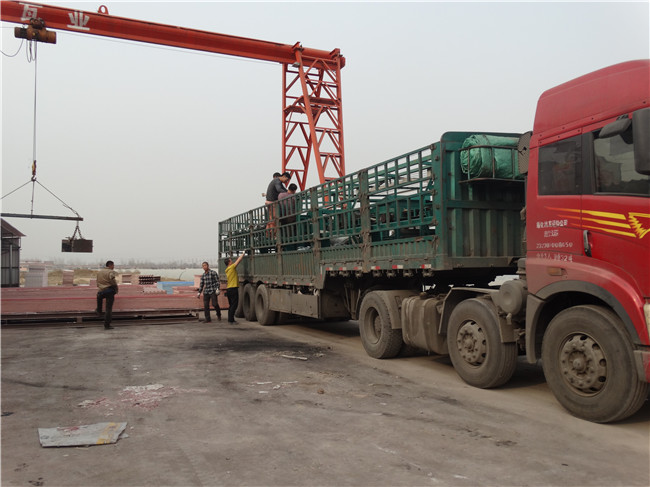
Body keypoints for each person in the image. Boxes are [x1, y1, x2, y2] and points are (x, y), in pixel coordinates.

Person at [96, 260, 118, 330]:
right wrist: (116, 289)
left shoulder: (99, 272)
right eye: (113, 265)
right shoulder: (111, 272)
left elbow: (97, 282)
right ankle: (107, 325)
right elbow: (113, 282)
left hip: (101, 291)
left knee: (99, 298)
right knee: (108, 309)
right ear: (110, 265)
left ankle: (99, 311)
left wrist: (101, 287)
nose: (113, 267)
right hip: (109, 291)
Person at [224, 253, 245, 323]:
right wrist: (243, 253)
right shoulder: (232, 267)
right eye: (231, 260)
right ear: (229, 263)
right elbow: (238, 260)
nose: (232, 261)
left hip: (229, 289)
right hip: (233, 289)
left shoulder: (227, 270)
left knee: (231, 305)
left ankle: (230, 319)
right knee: (234, 305)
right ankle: (231, 320)